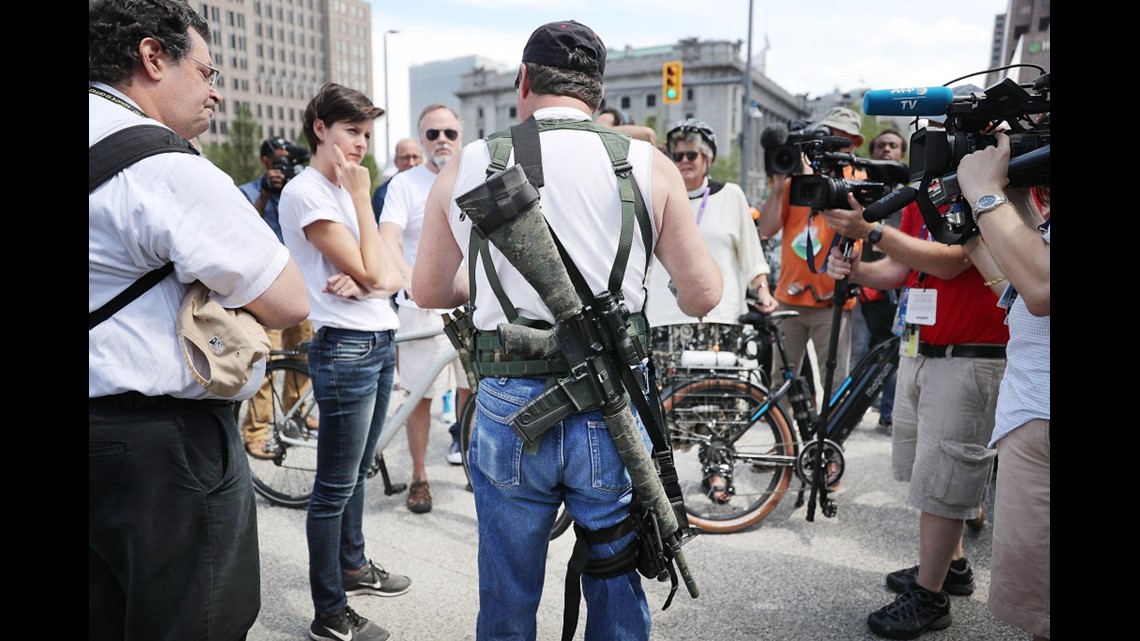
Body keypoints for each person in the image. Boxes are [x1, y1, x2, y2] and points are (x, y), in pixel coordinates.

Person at [411, 19, 722, 640]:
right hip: (608, 405)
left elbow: (428, 290)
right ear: (597, 93)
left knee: (506, 588)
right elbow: (703, 295)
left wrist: (506, 286)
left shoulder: (470, 162)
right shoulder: (649, 165)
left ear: (523, 80)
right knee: (615, 573)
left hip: (506, 401)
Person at [89, 1, 310, 639]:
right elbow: (287, 299)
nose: (216, 92)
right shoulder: (162, 165)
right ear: (153, 57)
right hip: (162, 453)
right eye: (207, 71)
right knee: (196, 620)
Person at [821, 183, 1009, 639]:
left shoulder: (992, 187)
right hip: (920, 347)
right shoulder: (926, 193)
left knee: (945, 480)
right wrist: (856, 271)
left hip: (970, 355)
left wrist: (873, 230)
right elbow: (899, 270)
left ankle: (930, 597)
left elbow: (951, 261)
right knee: (929, 474)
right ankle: (953, 566)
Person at [278, 82, 411, 641]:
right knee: (333, 486)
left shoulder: (345, 187)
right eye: (351, 131)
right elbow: (381, 273)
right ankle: (328, 612)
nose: (361, 144)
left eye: (366, 134)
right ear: (320, 130)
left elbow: (394, 273)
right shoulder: (309, 193)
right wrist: (361, 202)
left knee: (360, 471)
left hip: (379, 342)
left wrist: (372, 280)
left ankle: (353, 567)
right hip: (346, 347)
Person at [645, 118, 776, 502]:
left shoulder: (731, 195)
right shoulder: (656, 195)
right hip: (665, 317)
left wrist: (763, 291)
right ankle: (660, 484)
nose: (684, 161)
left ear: (709, 158)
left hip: (720, 317)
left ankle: (718, 473)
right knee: (664, 405)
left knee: (720, 403)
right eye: (677, 154)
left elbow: (751, 254)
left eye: (693, 154)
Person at [956, 132, 1050, 640]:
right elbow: (1022, 280)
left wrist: (986, 193)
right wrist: (978, 230)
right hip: (1032, 413)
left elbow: (1041, 287)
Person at [378, 104, 472, 514]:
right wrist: (411, 283)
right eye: (432, 134)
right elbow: (389, 238)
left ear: (460, 135)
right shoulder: (405, 184)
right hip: (421, 309)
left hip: (472, 308)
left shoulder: (476, 176)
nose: (442, 141)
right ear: (421, 139)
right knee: (421, 398)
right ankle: (419, 476)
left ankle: (474, 468)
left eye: (449, 133)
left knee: (476, 391)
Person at [756, 106, 865, 409]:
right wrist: (779, 185)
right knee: (780, 379)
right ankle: (784, 446)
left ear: (855, 143)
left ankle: (829, 449)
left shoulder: (858, 178)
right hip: (789, 299)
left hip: (832, 301)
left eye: (841, 140)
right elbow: (766, 228)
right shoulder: (798, 181)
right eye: (828, 136)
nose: (833, 146)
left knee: (835, 382)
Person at [239, 136, 317, 458]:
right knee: (265, 361)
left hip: (301, 284)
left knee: (303, 355)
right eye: (278, 162)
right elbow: (241, 229)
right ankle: (256, 431)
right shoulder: (247, 192)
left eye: (289, 161)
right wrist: (266, 195)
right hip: (265, 289)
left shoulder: (300, 189)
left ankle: (296, 412)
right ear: (265, 163)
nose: (283, 168)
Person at [852, 127, 908, 433]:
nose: (887, 150)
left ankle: (888, 415)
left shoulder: (911, 192)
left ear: (902, 154)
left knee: (895, 353)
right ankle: (855, 411)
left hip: (898, 290)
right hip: (862, 287)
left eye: (893, 146)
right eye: (882, 145)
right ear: (872, 153)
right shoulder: (858, 190)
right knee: (861, 352)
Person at [372, 137, 423, 222]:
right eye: (406, 157)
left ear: (421, 160)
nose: (411, 163)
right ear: (396, 161)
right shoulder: (383, 194)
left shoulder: (431, 189)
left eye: (415, 157)